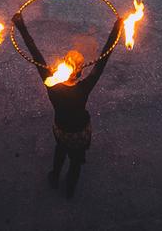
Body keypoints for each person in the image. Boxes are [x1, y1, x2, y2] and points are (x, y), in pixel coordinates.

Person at [12, 11, 123, 198]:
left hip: (61, 129)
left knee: (60, 149)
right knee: (75, 162)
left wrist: (21, 25)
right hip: (79, 133)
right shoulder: (84, 87)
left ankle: (55, 176)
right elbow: (103, 58)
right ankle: (70, 190)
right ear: (79, 73)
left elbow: (35, 53)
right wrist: (117, 29)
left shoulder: (52, 84)